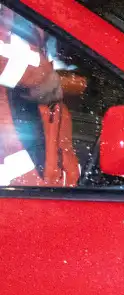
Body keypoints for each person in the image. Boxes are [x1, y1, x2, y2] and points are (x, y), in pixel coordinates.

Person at [0, 6, 78, 187]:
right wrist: (42, 75)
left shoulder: (32, 22)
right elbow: (47, 81)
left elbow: (59, 81)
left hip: (45, 180)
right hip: (16, 189)